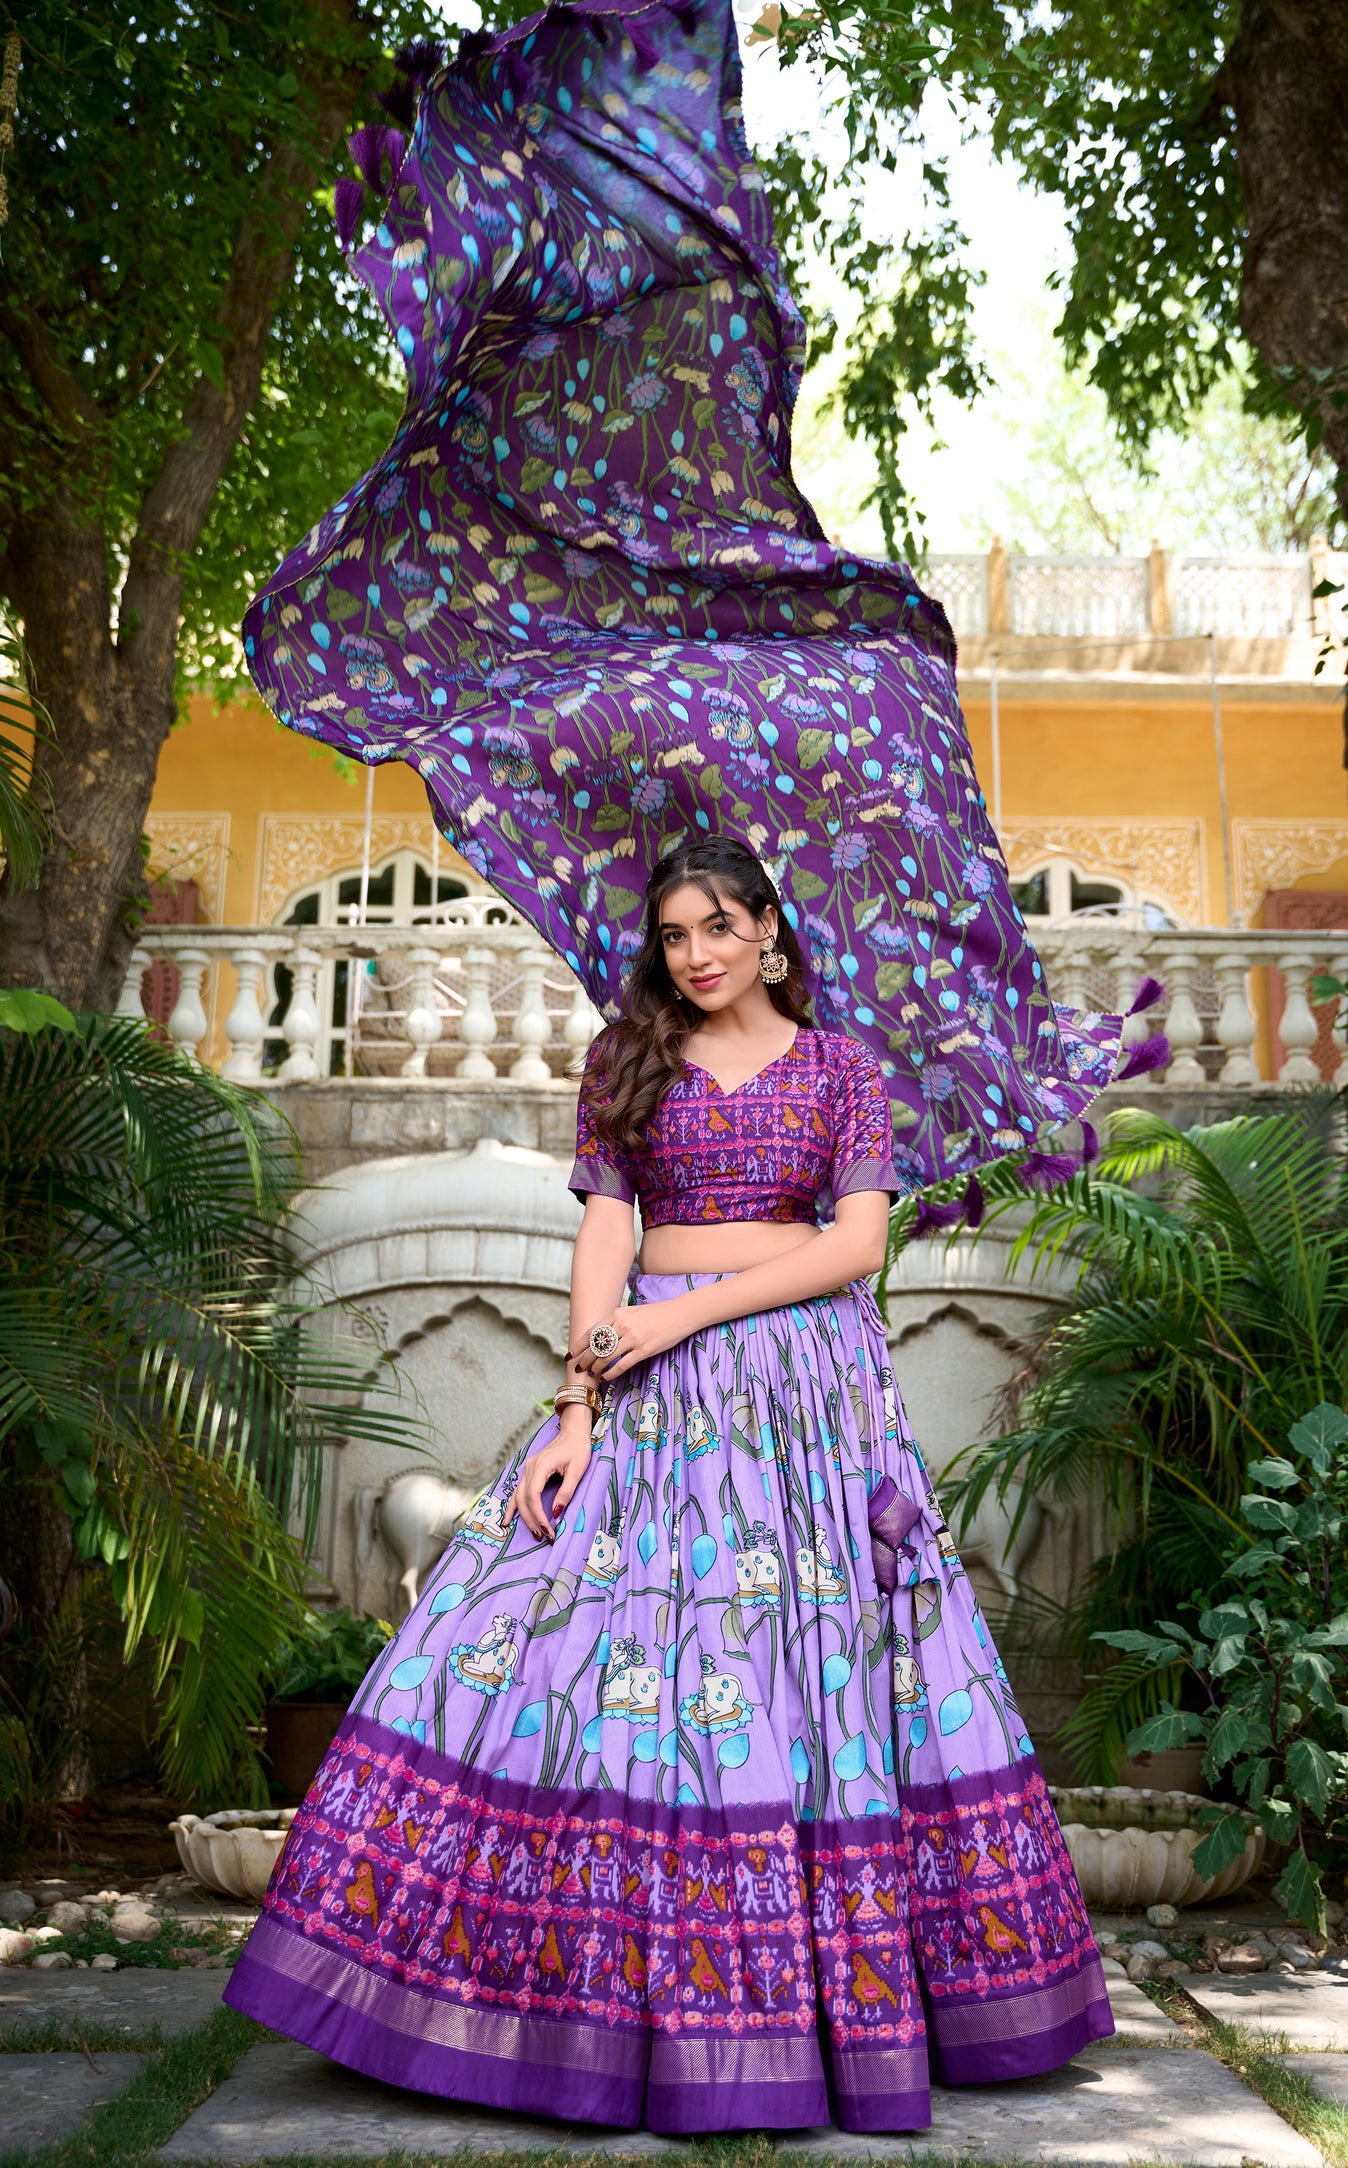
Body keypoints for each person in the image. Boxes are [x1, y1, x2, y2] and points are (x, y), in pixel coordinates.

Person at [224, 835, 1113, 2133]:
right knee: (543, 1625)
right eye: (674, 935)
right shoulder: (625, 1056)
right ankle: (537, 1999)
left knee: (792, 1671)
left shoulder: (838, 1067)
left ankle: (816, 2016)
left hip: (802, 1394)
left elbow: (854, 1243)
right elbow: (603, 1226)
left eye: (716, 928)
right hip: (645, 1384)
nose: (693, 955)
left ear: (769, 931)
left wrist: (684, 1318)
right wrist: (579, 1400)